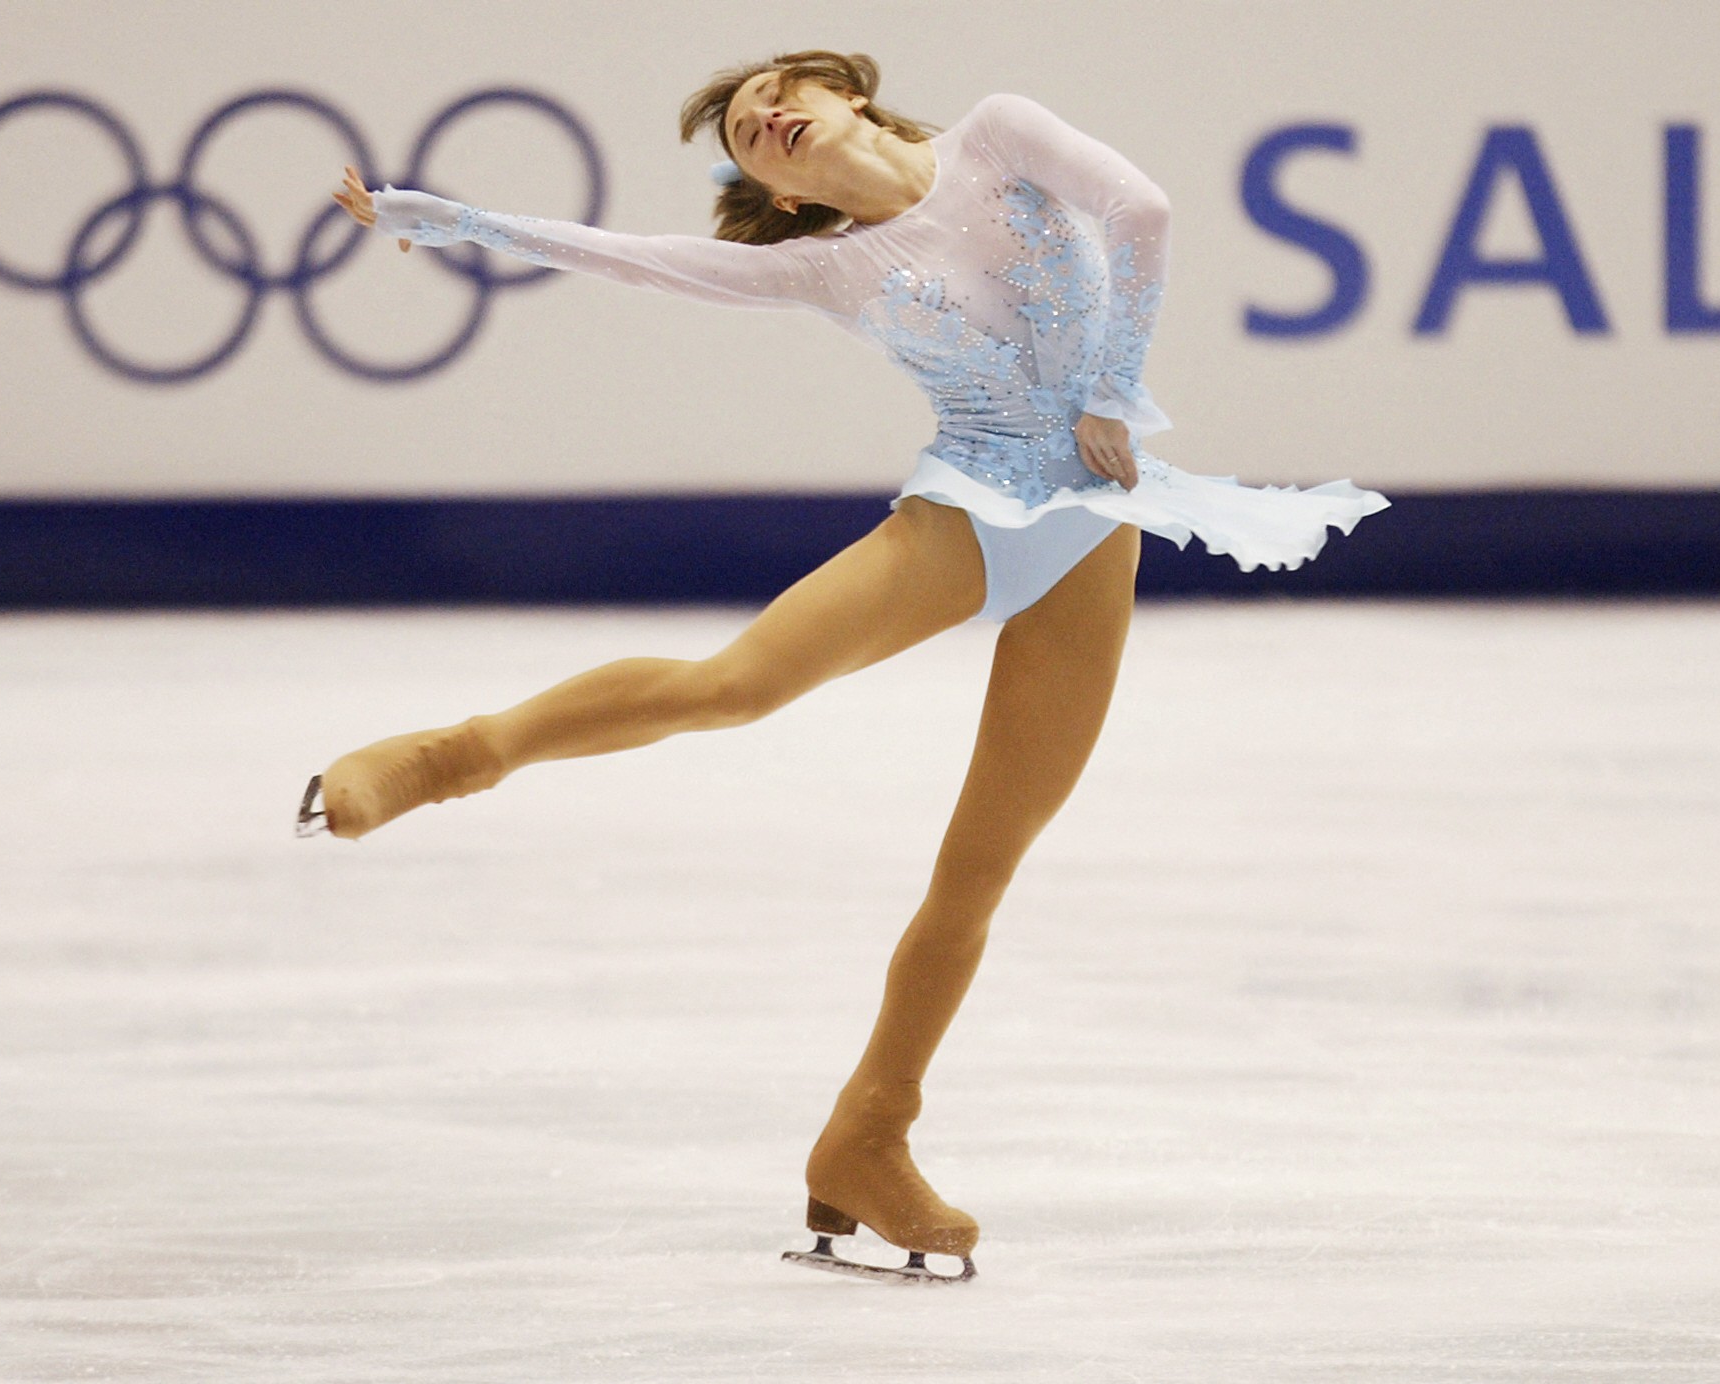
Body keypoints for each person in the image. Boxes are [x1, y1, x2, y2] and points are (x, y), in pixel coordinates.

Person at [306, 49, 1387, 1283]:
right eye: (746, 136)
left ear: (844, 92)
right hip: (969, 510)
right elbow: (633, 254)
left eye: (774, 93)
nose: (764, 118)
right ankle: (451, 756)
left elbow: (1143, 208)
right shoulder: (823, 265)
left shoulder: (997, 134)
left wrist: (1109, 390)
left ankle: (868, 1138)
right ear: (782, 194)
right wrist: (450, 220)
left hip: (1098, 537)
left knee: (978, 871)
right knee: (739, 685)